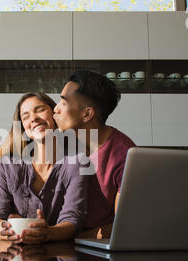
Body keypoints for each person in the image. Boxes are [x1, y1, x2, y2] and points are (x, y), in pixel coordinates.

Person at [0, 92, 88, 244]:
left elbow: (73, 219)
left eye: (39, 110)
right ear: (23, 127)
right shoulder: (7, 166)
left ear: (55, 114)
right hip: (13, 259)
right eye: (25, 116)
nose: (33, 118)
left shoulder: (76, 164)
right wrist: (5, 229)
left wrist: (48, 233)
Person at [53, 70, 136, 239]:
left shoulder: (125, 156)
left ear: (87, 114)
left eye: (64, 102)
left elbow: (123, 227)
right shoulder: (59, 143)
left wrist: (68, 236)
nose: (56, 109)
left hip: (96, 252)